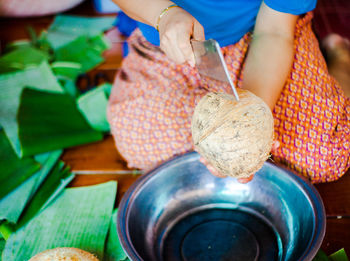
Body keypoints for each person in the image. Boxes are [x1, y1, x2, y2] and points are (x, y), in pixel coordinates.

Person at [107, 0, 350, 183]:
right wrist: (163, 15)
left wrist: (249, 117)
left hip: (262, 37)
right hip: (171, 41)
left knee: (324, 157)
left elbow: (275, 31)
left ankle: (340, 59)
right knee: (136, 140)